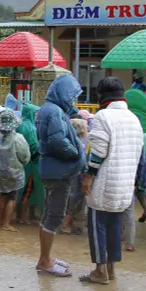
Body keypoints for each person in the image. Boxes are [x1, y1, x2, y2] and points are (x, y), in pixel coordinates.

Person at [78, 78, 143, 284]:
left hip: (105, 181)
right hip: (125, 183)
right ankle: (112, 269)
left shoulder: (103, 116)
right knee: (115, 225)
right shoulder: (134, 118)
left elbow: (98, 151)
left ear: (101, 96)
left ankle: (99, 271)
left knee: (97, 225)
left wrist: (88, 176)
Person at [35, 74, 86, 277]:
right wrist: (76, 152)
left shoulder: (51, 109)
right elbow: (57, 140)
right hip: (59, 171)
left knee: (50, 214)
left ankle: (45, 257)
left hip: (54, 170)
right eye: (71, 95)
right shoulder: (54, 111)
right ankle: (45, 261)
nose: (73, 99)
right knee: (54, 215)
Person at [0, 109, 31, 233]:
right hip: (14, 172)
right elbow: (24, 156)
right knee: (12, 197)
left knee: (2, 196)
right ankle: (6, 224)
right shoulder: (18, 138)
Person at [59, 118, 90, 235]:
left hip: (65, 174)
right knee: (75, 200)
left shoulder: (66, 141)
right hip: (77, 175)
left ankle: (70, 225)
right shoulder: (80, 143)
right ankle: (65, 225)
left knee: (68, 199)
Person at [17, 102, 44, 226]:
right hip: (30, 163)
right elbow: (34, 147)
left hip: (20, 162)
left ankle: (20, 215)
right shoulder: (31, 128)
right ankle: (22, 217)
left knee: (20, 191)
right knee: (27, 191)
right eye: (35, 113)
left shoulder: (19, 124)